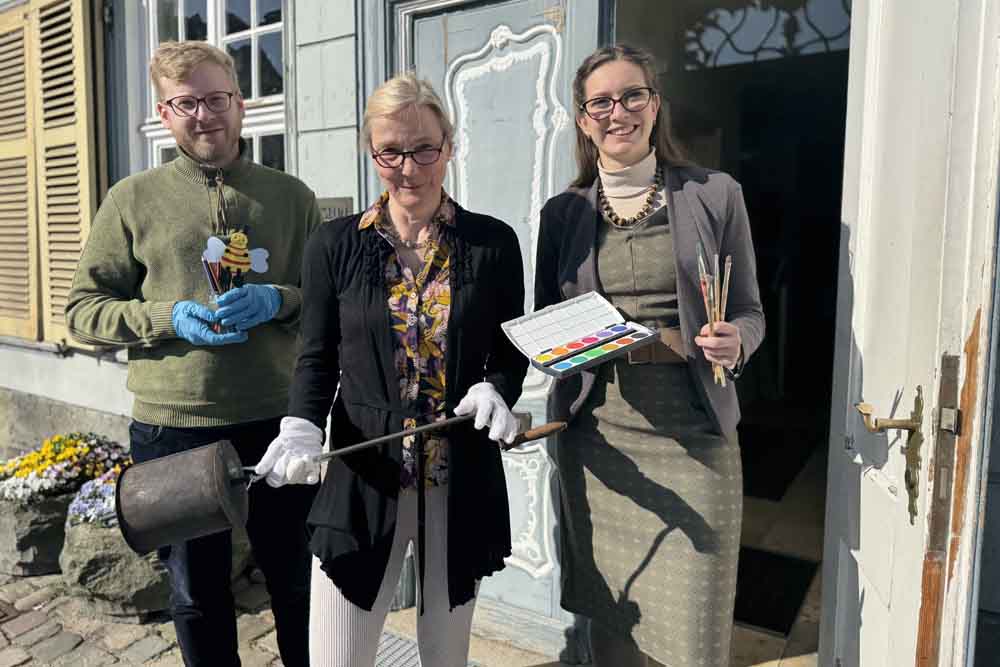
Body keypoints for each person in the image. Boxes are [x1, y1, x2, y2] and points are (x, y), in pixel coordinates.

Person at [252, 72, 528, 667]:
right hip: (363, 474)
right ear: (371, 152)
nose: (409, 167)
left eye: (424, 148)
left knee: (446, 654)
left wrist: (498, 388)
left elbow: (509, 348)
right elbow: (317, 354)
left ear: (449, 146)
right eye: (391, 152)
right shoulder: (332, 245)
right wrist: (300, 424)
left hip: (458, 477)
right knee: (338, 655)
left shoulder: (494, 243)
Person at [65, 41, 322, 667]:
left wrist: (281, 299)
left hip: (277, 420)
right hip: (172, 429)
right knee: (197, 593)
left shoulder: (291, 196)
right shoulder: (130, 199)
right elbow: (82, 312)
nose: (204, 115)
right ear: (163, 112)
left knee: (296, 584)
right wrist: (168, 317)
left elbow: (328, 301)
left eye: (215, 99)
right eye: (186, 103)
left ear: (240, 102)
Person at [535, 44, 765, 667]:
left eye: (632, 95)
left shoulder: (716, 194)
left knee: (695, 629)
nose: (619, 112)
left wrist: (737, 339)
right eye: (601, 102)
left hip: (695, 432)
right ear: (583, 120)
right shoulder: (563, 214)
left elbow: (750, 310)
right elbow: (548, 326)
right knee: (612, 621)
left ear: (654, 104)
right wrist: (557, 345)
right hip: (599, 433)